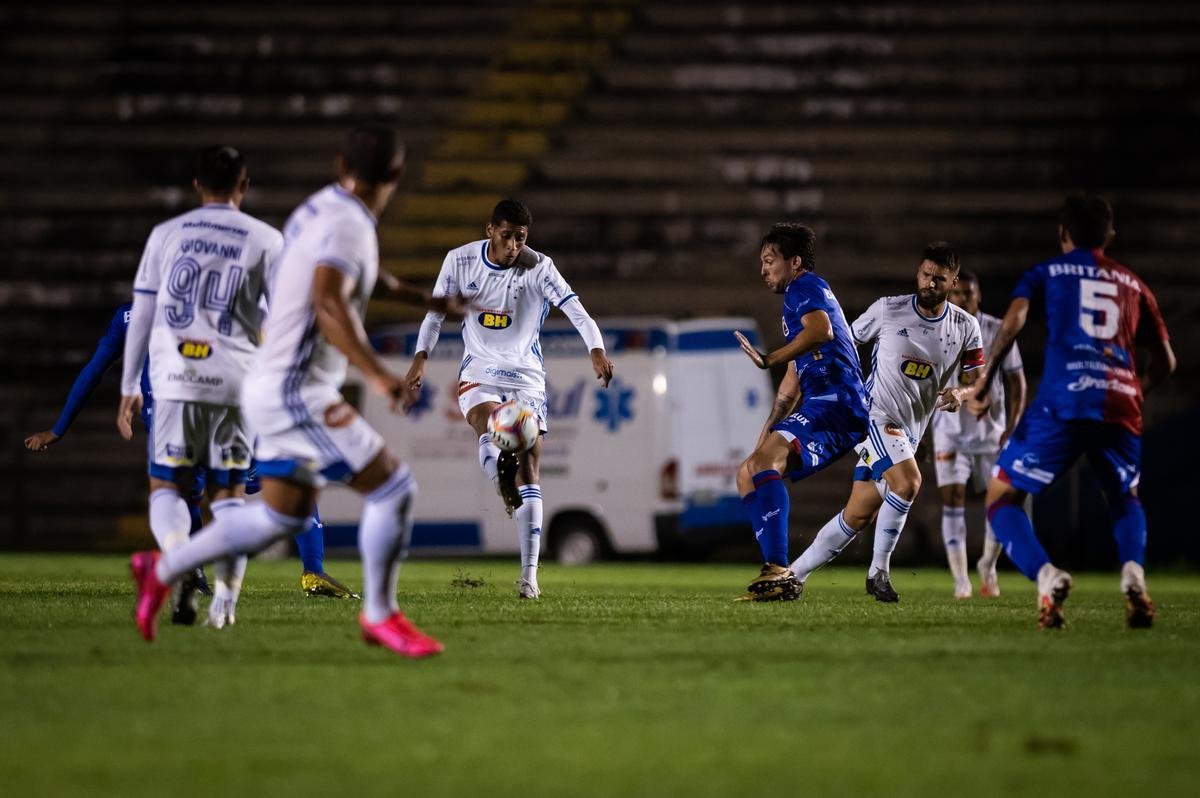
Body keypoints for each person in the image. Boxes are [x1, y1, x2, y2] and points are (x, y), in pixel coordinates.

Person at [129, 125, 453, 657]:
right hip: (296, 391)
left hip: (265, 385)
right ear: (396, 174)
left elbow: (351, 273)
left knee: (280, 518)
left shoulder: (319, 208)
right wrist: (377, 375)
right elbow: (330, 301)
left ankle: (160, 566)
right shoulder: (353, 227)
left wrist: (419, 296)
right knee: (395, 489)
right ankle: (379, 615)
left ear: (338, 163)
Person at [22, 302, 349, 606]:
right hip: (220, 414)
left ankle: (191, 573)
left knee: (184, 494)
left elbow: (96, 370)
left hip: (168, 422)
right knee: (278, 479)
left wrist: (59, 428)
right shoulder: (210, 304)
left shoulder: (132, 313)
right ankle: (309, 571)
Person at [976, 194, 1175, 629]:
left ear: (1062, 234)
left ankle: (1048, 578)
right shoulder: (1135, 283)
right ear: (1110, 236)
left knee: (1002, 496)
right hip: (1120, 403)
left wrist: (983, 380)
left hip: (1063, 402)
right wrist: (1136, 389)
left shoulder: (1046, 272)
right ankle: (1134, 576)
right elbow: (1167, 361)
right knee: (1125, 496)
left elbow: (1013, 320)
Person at [405, 199, 613, 599]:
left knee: (530, 469)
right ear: (490, 231)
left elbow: (576, 309)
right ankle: (501, 470)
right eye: (507, 236)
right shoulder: (460, 262)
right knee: (490, 420)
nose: (514, 245)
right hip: (479, 371)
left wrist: (596, 349)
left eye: (521, 238)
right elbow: (434, 315)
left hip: (527, 378)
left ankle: (529, 577)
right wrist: (420, 358)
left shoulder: (540, 268)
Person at [118, 145, 281, 628]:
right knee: (229, 497)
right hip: (235, 382)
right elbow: (281, 319)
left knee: (165, 484)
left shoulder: (165, 234)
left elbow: (142, 310)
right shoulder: (266, 239)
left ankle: (177, 558)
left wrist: (130, 383)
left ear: (196, 185)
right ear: (244, 186)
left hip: (174, 380)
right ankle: (224, 606)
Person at [788, 242, 985, 602]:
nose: (929, 283)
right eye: (925, 274)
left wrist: (961, 394)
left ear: (953, 282)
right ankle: (879, 572)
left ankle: (791, 576)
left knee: (857, 515)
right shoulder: (889, 309)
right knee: (909, 483)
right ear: (918, 272)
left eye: (939, 279)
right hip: (873, 416)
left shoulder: (966, 327)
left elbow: (977, 379)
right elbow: (844, 344)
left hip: (910, 430)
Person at [731, 223, 869, 601]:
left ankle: (779, 569)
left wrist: (769, 357)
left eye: (770, 260)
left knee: (759, 467)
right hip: (824, 403)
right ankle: (776, 576)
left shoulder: (802, 288)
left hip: (836, 402)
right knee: (747, 473)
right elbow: (791, 382)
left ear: (794, 263)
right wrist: (764, 438)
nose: (763, 269)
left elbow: (822, 331)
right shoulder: (801, 297)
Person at [930, 271, 1026, 598]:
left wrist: (1011, 428)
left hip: (991, 432)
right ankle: (960, 580)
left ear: (978, 295)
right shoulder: (936, 330)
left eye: (968, 293)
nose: (961, 299)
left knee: (998, 500)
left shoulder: (996, 330)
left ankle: (988, 563)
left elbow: (1017, 383)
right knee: (952, 498)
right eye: (956, 294)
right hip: (949, 430)